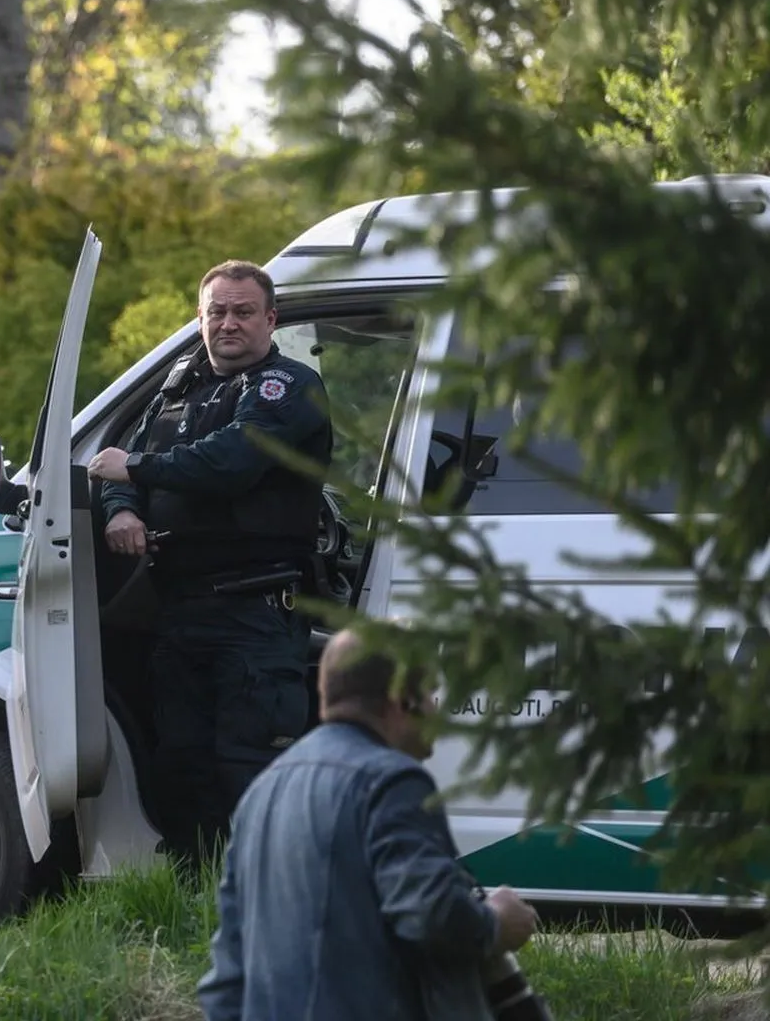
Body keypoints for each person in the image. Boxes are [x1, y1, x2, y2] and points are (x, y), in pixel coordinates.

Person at [87, 259, 333, 864]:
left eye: (243, 311)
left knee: (249, 770)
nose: (229, 323)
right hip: (180, 612)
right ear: (200, 319)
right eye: (217, 311)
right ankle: (193, 911)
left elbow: (229, 463)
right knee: (181, 768)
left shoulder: (289, 387)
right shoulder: (178, 390)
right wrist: (122, 510)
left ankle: (265, 906)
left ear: (270, 319)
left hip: (256, 615)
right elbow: (123, 462)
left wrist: (136, 470)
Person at [196, 627, 541, 1021]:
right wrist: (496, 922)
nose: (436, 708)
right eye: (430, 694)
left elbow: (227, 975)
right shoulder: (392, 780)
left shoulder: (263, 791)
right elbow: (431, 914)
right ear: (401, 700)